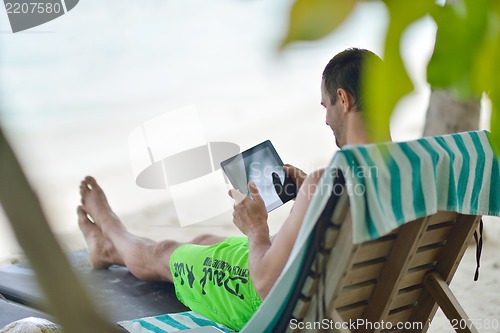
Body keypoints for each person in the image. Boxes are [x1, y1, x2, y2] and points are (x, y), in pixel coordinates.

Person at [77, 48, 382, 331]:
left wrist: (256, 228)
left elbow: (265, 284)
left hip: (268, 301)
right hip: (352, 298)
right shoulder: (406, 175)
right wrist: (306, 200)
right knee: (203, 240)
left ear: (343, 100)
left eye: (326, 106)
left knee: (163, 253)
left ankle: (110, 228)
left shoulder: (326, 182)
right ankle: (108, 251)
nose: (326, 118)